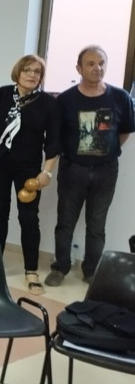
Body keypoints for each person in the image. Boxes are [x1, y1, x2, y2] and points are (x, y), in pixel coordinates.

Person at [46, 45, 135, 287]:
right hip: (73, 168)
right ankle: (60, 267)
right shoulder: (65, 100)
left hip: (106, 170)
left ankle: (91, 271)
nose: (98, 68)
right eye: (91, 63)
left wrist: (105, 151)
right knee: (65, 221)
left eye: (102, 63)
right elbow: (58, 134)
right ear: (79, 68)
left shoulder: (120, 98)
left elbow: (125, 131)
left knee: (97, 225)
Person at [0, 55, 59, 295]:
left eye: (37, 72)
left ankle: (31, 270)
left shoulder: (48, 103)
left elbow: (53, 143)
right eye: (27, 70)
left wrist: (46, 172)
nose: (31, 75)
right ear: (17, 72)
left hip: (28, 168)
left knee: (28, 218)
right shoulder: (2, 95)